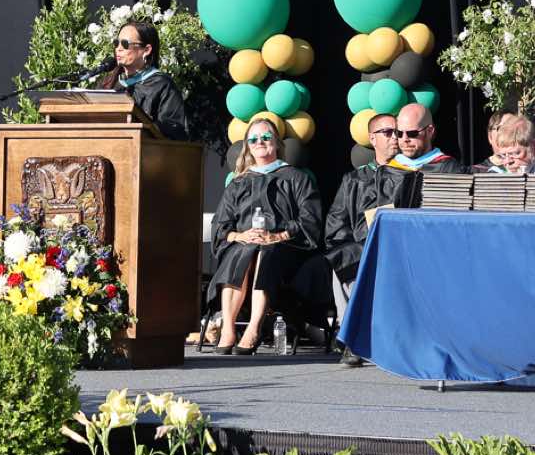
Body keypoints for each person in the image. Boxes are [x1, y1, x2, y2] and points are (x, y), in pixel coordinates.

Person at [208, 120, 323, 355]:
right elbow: (221, 225)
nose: (259, 142)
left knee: (265, 252)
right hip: (244, 244)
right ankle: (228, 328)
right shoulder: (239, 182)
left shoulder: (296, 178)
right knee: (242, 251)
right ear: (248, 147)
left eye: (266, 137)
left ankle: (254, 327)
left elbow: (310, 219)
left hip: (286, 247)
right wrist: (240, 235)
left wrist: (278, 235)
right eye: (253, 139)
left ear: (277, 143)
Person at [322, 113, 406, 365]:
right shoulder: (354, 179)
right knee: (341, 256)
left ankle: (352, 338)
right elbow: (336, 222)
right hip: (360, 245)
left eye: (397, 132)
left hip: (397, 246)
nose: (395, 137)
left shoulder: (409, 175)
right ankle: (353, 335)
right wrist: (357, 241)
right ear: (372, 138)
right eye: (387, 132)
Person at [99, 20, 190, 141]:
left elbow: (174, 131)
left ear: (146, 50)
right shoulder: (108, 83)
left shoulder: (162, 85)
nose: (118, 49)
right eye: (116, 43)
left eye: (125, 44)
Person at [386, 103, 466, 174]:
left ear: (430, 131)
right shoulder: (388, 171)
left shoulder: (449, 169)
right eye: (399, 133)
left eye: (412, 133)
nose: (404, 139)